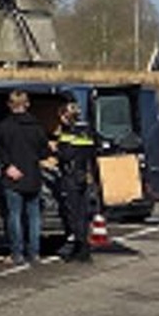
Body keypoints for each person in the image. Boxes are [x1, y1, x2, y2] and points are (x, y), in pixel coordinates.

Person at [0, 89, 50, 266]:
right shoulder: (37, 127)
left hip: (12, 176)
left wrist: (8, 165)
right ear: (27, 104)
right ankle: (35, 252)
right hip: (33, 175)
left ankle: (17, 252)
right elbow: (44, 151)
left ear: (10, 105)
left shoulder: (3, 127)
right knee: (34, 217)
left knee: (14, 215)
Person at [51, 102, 98, 264]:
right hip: (84, 175)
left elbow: (64, 156)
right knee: (83, 214)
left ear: (66, 116)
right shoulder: (87, 132)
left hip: (70, 177)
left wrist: (55, 148)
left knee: (72, 214)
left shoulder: (68, 135)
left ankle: (79, 248)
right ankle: (83, 248)